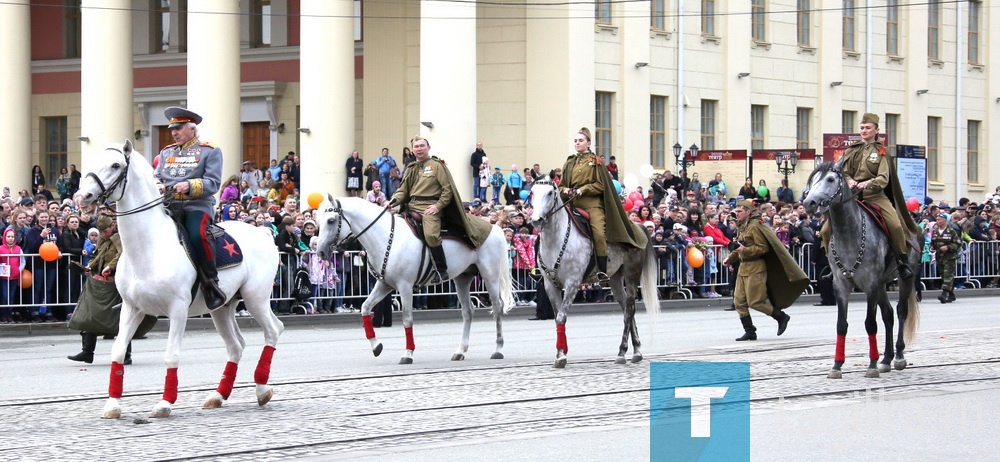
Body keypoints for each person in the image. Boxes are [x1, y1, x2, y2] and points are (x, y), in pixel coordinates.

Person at [820, 113, 919, 280]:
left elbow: (884, 177)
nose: (864, 131)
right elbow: (842, 171)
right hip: (852, 198)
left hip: (875, 196)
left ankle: (902, 263)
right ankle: (832, 267)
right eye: (862, 128)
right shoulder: (852, 150)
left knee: (895, 226)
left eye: (867, 128)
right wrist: (850, 181)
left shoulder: (881, 152)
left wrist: (869, 183)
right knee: (825, 229)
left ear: (876, 130)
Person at [386, 135, 493, 284]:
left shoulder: (437, 165)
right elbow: (403, 190)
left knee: (431, 235)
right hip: (411, 207)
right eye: (416, 147)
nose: (419, 149)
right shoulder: (411, 168)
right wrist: (392, 201)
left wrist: (438, 206)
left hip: (430, 208)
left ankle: (441, 270)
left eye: (422, 145)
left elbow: (447, 189)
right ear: (412, 150)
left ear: (428, 148)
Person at [154, 106, 226, 309]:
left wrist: (190, 185)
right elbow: (157, 176)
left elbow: (213, 183)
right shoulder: (166, 152)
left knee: (197, 235)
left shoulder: (209, 150)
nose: (174, 133)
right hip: (168, 205)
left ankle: (211, 282)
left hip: (196, 205)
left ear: (192, 129)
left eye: (179, 128)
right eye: (172, 129)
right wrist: (157, 184)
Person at [560, 127, 647, 282]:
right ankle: (544, 269)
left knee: (599, 233)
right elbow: (560, 186)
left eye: (580, 140)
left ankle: (601, 270)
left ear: (588, 143)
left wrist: (584, 189)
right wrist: (566, 189)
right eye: (575, 141)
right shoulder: (569, 162)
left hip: (592, 204)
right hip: (571, 204)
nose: (577, 143)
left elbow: (601, 185)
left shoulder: (596, 162)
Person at [722, 200, 809, 341]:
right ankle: (750, 331)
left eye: (739, 211)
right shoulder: (742, 227)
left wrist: (745, 250)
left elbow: (763, 248)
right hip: (743, 268)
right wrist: (731, 258)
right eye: (735, 211)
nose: (736, 214)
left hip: (756, 268)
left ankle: (781, 317)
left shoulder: (755, 226)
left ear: (748, 212)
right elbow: (739, 246)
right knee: (739, 302)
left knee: (755, 301)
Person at [67, 215, 136, 365]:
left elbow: (122, 255)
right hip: (98, 283)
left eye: (105, 231)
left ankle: (126, 354)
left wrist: (110, 267)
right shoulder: (102, 239)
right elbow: (96, 255)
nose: (103, 234)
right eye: (101, 232)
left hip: (116, 283)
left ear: (112, 226)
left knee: (119, 320)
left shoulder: (119, 237)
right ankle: (87, 352)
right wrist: (89, 267)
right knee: (88, 315)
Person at [930, 213, 962, 303]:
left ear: (944, 220)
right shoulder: (936, 231)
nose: (937, 221)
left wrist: (948, 247)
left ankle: (944, 294)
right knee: (943, 276)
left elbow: (958, 243)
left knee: (948, 275)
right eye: (937, 220)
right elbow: (933, 242)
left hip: (950, 257)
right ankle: (951, 295)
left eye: (939, 220)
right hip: (940, 257)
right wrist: (933, 248)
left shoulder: (951, 231)